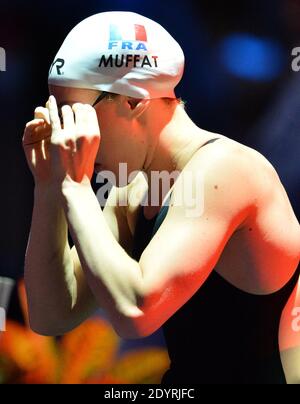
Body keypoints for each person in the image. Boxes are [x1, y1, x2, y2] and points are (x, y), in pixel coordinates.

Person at [22, 11, 300, 384]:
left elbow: (136, 313)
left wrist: (75, 186)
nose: (66, 134)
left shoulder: (226, 171)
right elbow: (50, 313)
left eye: (75, 115)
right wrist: (49, 189)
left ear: (134, 102)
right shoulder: (134, 188)